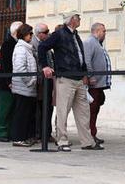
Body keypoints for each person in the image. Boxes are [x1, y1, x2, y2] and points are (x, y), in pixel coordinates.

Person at [38, 11, 100, 151]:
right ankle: (62, 141)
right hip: (65, 78)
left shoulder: (76, 35)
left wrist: (85, 74)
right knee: (62, 111)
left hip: (78, 79)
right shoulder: (59, 34)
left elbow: (80, 55)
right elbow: (42, 47)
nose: (80, 19)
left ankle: (87, 142)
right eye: (78, 17)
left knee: (84, 112)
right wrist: (45, 66)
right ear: (72, 19)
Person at [84, 22, 112, 146]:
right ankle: (90, 135)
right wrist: (90, 76)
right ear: (97, 31)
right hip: (94, 84)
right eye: (104, 31)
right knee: (92, 110)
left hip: (100, 84)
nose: (105, 33)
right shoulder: (90, 42)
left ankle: (93, 134)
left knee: (96, 109)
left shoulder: (98, 44)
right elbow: (87, 61)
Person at [11, 24, 38, 147]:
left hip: (27, 88)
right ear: (24, 34)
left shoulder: (27, 48)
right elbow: (20, 68)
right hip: (23, 87)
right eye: (30, 33)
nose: (31, 36)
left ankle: (25, 136)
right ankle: (18, 138)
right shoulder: (21, 48)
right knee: (21, 113)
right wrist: (30, 81)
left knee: (27, 113)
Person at [0, 21, 21, 142]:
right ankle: (1, 131)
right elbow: (5, 64)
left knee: (13, 108)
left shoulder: (18, 44)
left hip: (15, 81)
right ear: (16, 32)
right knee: (5, 108)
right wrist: (8, 81)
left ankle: (10, 131)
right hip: (7, 82)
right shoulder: (7, 44)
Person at [31, 23, 54, 142]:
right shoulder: (33, 44)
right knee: (40, 108)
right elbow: (37, 62)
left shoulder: (45, 43)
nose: (48, 34)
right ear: (39, 34)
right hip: (40, 80)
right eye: (46, 32)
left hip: (49, 79)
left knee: (48, 107)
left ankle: (46, 132)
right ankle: (39, 133)